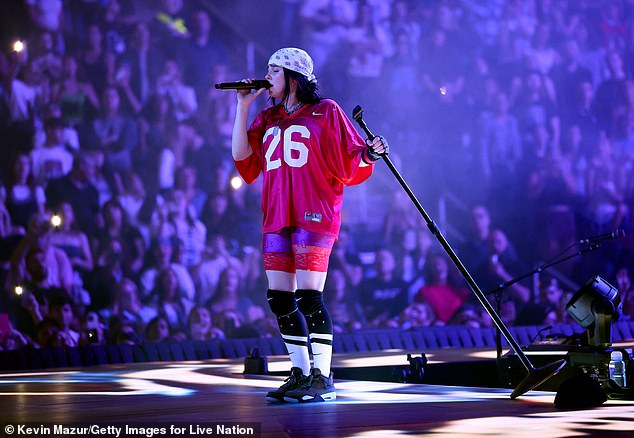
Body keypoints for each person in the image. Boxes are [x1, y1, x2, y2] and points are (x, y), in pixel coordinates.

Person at [230, 47, 387, 403]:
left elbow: (352, 156)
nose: (267, 77)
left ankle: (322, 376)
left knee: (310, 297)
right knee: (279, 298)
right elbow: (243, 158)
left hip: (313, 215)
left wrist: (370, 153)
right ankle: (299, 373)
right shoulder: (267, 117)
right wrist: (242, 108)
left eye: (273, 71)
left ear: (292, 77)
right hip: (276, 216)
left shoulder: (326, 111)